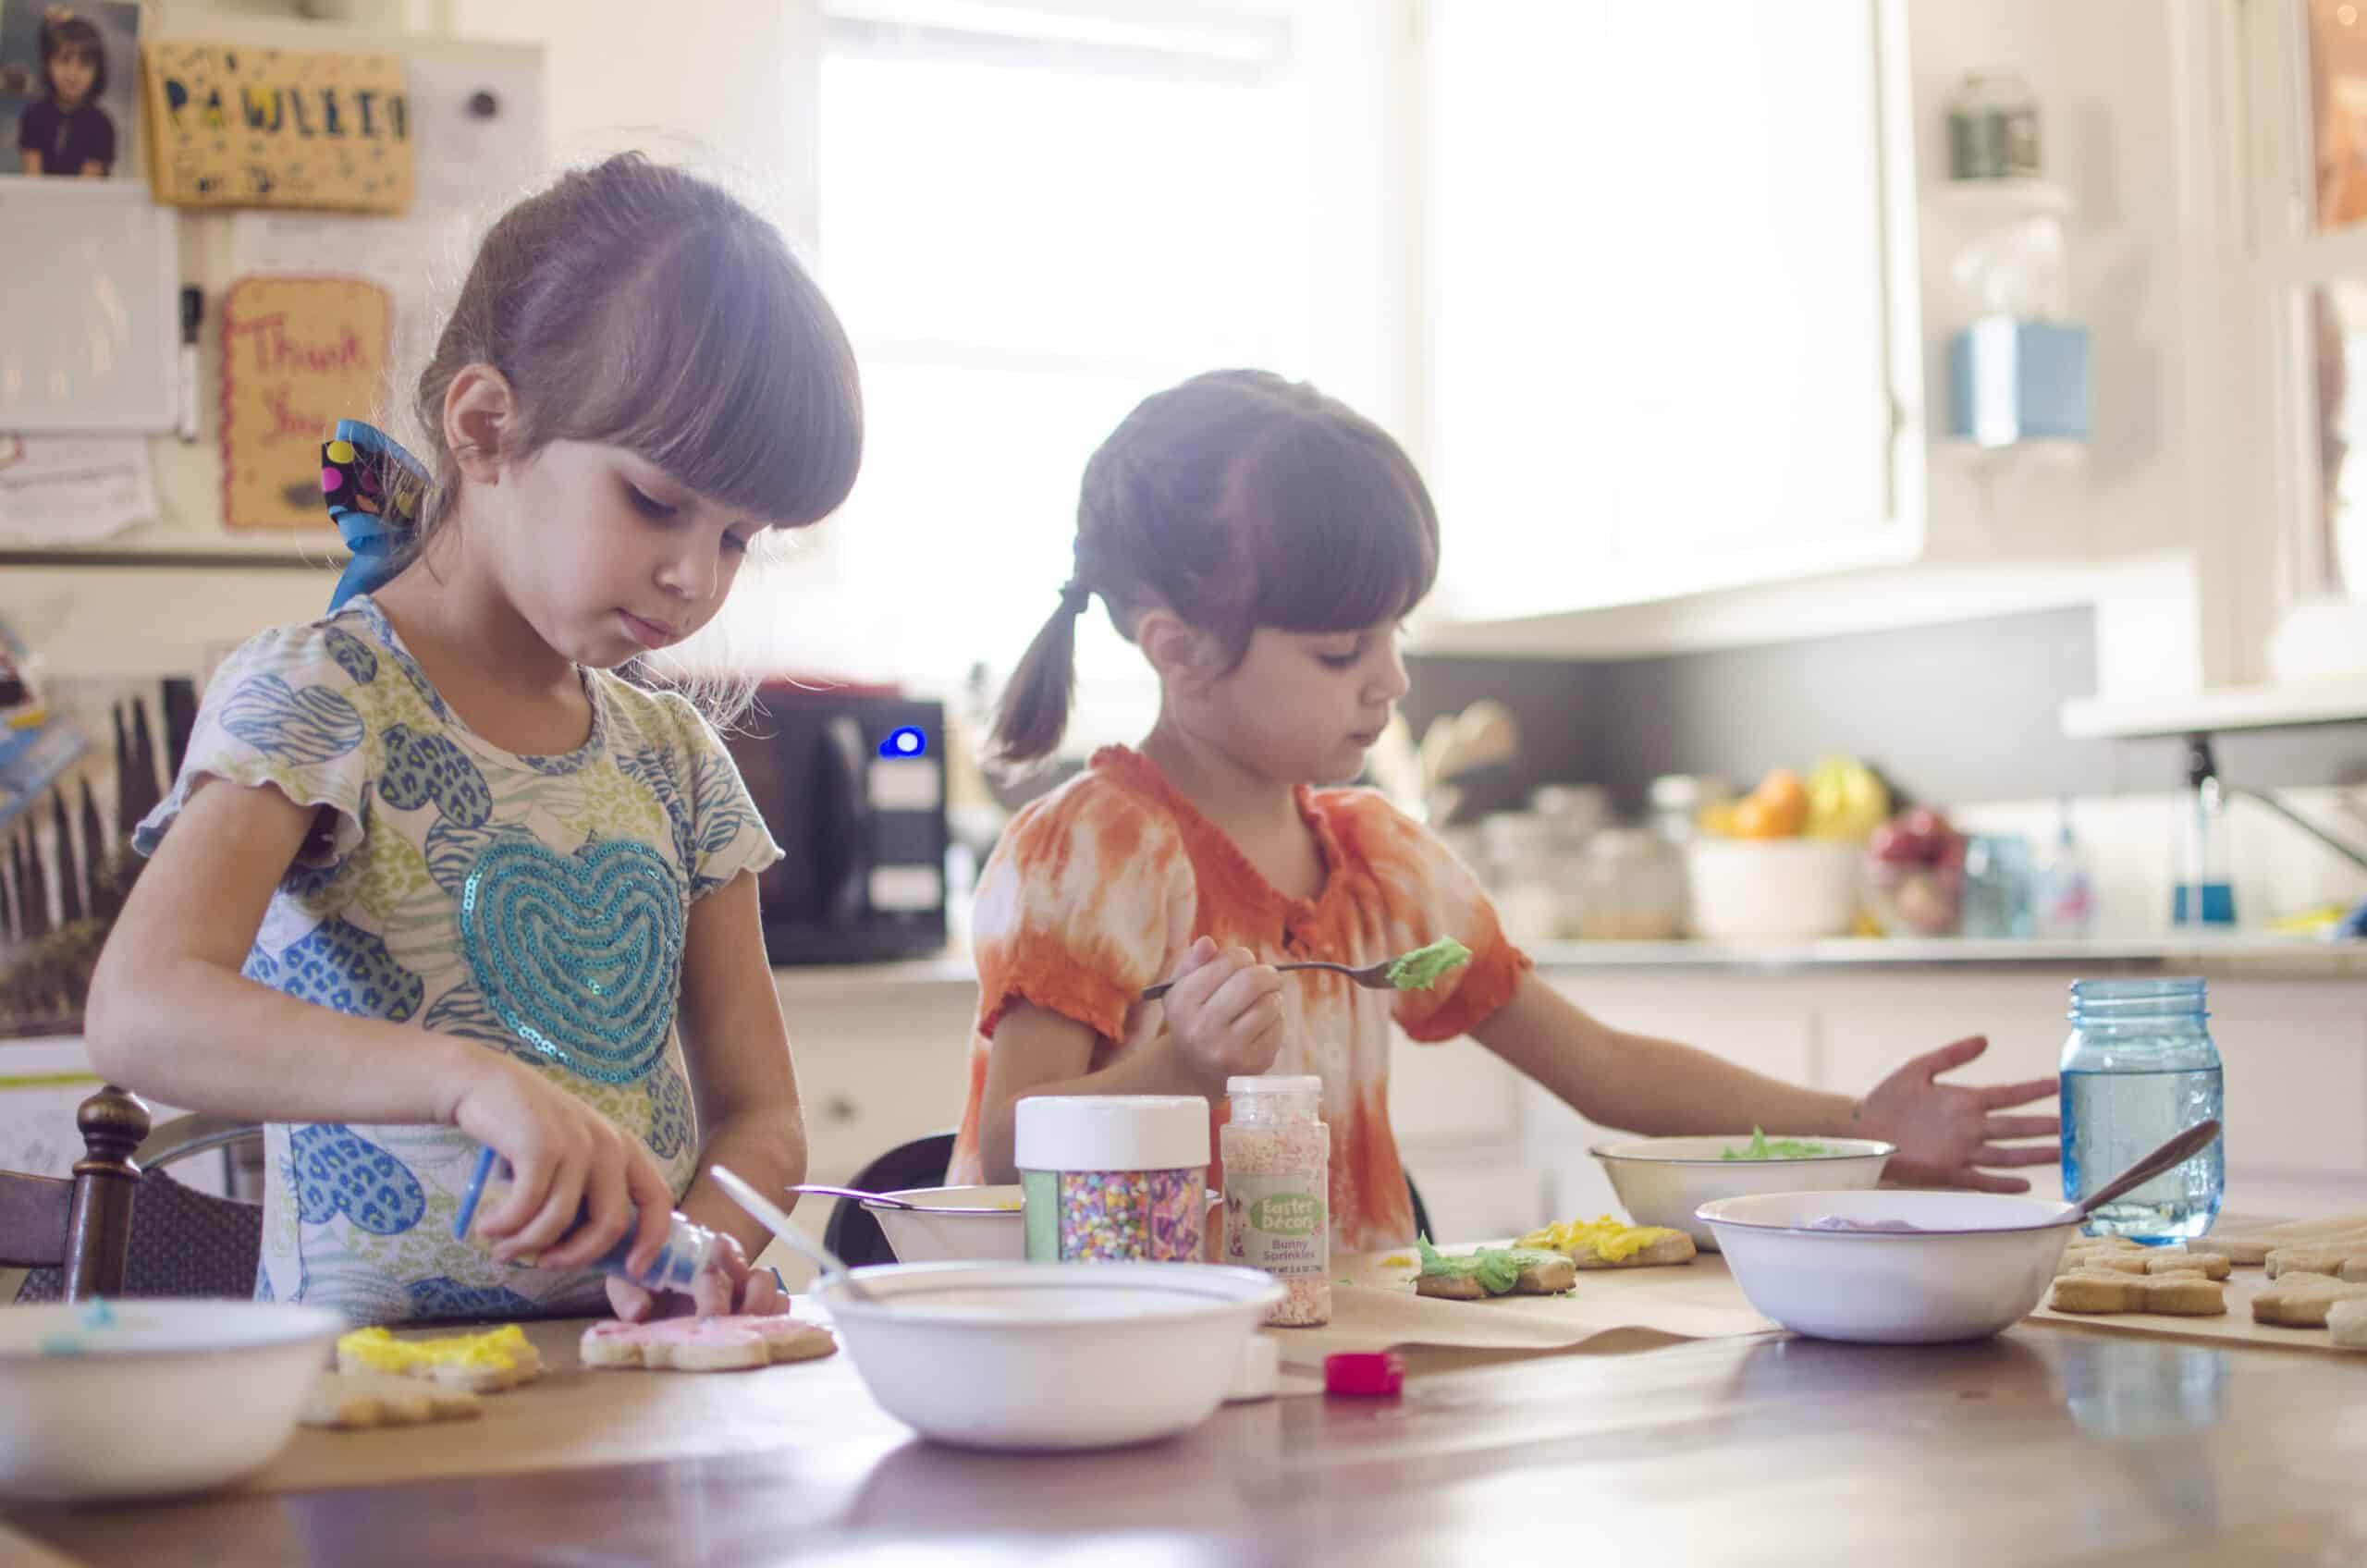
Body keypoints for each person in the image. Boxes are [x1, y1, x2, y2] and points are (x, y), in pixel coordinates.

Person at [954, 369, 2056, 1250]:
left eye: (1396, 636)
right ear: (1178, 650)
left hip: (1350, 1374)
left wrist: (1854, 1130)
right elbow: (1005, 1156)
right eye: (1342, 651)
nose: (1388, 681)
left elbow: (1604, 1067)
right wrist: (1179, 1071)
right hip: (1142, 1373)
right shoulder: (1089, 852)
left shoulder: (1375, 860)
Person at [86, 153, 864, 1323]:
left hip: (615, 1394)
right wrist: (464, 1082)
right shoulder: (325, 696)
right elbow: (142, 1007)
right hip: (361, 1417)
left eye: (738, 536)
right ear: (487, 424)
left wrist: (699, 1244)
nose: (693, 576)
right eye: (656, 503)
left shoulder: (678, 763)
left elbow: (764, 1117)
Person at [18, 10, 115, 178]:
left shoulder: (102, 125)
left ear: (97, 72)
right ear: (48, 65)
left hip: (85, 202)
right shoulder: (33, 115)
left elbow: (87, 188)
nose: (72, 74)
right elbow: (32, 179)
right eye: (63, 61)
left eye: (84, 65)